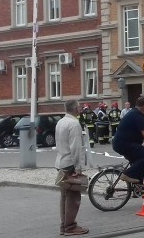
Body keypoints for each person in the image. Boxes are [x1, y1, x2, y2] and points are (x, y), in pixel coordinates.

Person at [54, 99, 89, 236]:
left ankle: (64, 225)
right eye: (79, 107)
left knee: (64, 196)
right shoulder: (74, 124)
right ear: (75, 109)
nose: (80, 109)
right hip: (70, 164)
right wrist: (78, 168)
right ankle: (70, 226)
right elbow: (75, 148)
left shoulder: (60, 122)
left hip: (60, 162)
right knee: (73, 197)